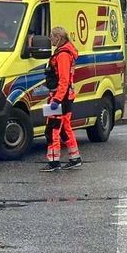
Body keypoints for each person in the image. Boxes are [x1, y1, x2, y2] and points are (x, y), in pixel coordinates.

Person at [41, 26, 81, 172]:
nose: (50, 39)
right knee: (65, 128)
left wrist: (56, 99)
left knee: (52, 129)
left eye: (51, 36)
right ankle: (74, 157)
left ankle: (53, 161)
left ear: (58, 38)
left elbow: (63, 79)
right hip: (66, 96)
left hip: (60, 96)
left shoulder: (63, 55)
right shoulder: (65, 52)